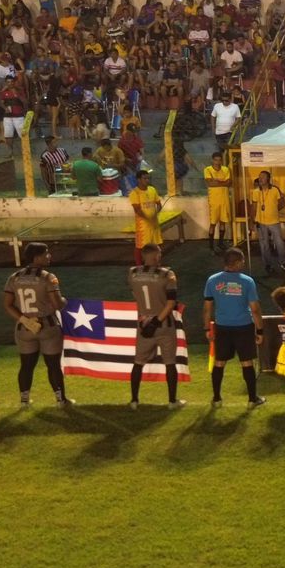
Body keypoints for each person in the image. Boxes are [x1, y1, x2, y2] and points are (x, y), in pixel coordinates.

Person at [2, 242, 72, 408]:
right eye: (46, 253)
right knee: (53, 365)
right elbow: (57, 304)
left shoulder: (14, 277)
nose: (49, 256)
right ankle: (61, 400)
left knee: (26, 365)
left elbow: (7, 305)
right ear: (37, 257)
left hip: (25, 328)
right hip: (47, 326)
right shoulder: (48, 277)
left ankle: (24, 401)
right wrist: (64, 301)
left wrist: (24, 320)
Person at [203, 247, 265, 408]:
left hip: (222, 327)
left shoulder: (212, 280)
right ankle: (252, 399)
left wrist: (207, 328)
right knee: (246, 362)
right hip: (243, 326)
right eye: (242, 261)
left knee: (219, 362)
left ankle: (216, 398)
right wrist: (260, 330)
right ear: (237, 263)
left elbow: (207, 308)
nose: (243, 264)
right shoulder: (247, 281)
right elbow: (255, 309)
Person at [129, 242, 184, 410]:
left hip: (143, 324)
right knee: (170, 363)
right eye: (159, 254)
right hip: (163, 324)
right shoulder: (167, 274)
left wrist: (148, 319)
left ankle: (134, 400)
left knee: (138, 362)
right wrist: (157, 321)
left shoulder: (132, 273)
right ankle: (172, 401)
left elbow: (134, 293)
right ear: (155, 256)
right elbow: (171, 302)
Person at [250, 170, 285, 277]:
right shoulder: (256, 191)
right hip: (261, 221)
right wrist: (251, 221)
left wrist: (274, 209)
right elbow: (253, 207)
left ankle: (283, 262)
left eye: (263, 177)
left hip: (274, 221)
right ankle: (268, 264)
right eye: (259, 177)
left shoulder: (275, 190)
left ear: (268, 179)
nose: (260, 178)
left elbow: (281, 204)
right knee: (264, 245)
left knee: (279, 242)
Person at [127, 168, 163, 266]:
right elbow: (137, 210)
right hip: (143, 225)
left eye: (148, 178)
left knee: (156, 244)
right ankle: (139, 266)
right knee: (140, 246)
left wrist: (155, 214)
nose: (147, 180)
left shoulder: (152, 189)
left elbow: (159, 204)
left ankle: (157, 263)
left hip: (154, 223)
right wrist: (148, 219)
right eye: (145, 178)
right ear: (138, 180)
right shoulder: (134, 193)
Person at [203, 152, 234, 251]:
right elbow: (209, 184)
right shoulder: (208, 169)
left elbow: (229, 183)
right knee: (213, 223)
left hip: (224, 199)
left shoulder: (226, 169)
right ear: (212, 160)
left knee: (223, 222)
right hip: (214, 201)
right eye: (216, 160)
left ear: (222, 160)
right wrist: (223, 182)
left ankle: (220, 243)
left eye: (219, 160)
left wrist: (216, 181)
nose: (217, 162)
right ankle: (211, 246)